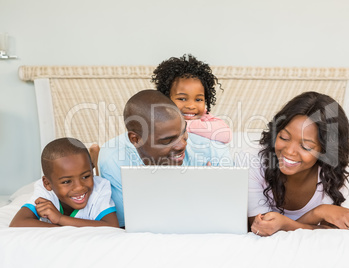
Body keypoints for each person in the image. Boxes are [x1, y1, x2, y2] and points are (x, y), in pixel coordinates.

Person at [238, 91, 349, 236]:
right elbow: (261, 228)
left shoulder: (335, 173)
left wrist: (291, 222)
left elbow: (334, 231)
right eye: (284, 137)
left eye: (306, 146)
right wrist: (317, 214)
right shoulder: (253, 161)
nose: (290, 152)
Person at [99, 90, 232, 227]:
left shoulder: (214, 152)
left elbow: (231, 216)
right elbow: (128, 224)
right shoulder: (113, 159)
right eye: (167, 140)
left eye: (183, 132)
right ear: (136, 139)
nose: (182, 145)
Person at [9, 138, 119, 228]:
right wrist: (65, 227)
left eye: (86, 176)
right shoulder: (44, 192)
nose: (79, 187)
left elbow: (112, 226)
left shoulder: (100, 187)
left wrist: (60, 219)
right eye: (66, 181)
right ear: (47, 184)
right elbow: (17, 223)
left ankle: (95, 155)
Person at [152, 54, 232, 144]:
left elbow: (225, 134)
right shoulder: (160, 118)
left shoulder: (204, 117)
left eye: (198, 100)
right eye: (182, 99)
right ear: (166, 99)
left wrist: (185, 125)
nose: (191, 106)